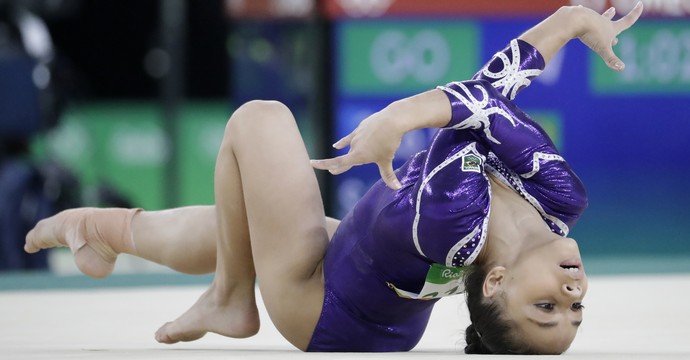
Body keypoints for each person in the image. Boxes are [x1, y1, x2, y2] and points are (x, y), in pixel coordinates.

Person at [24, 3, 643, 355]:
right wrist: (567, 20)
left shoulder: (454, 222)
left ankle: (231, 297)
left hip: (323, 310)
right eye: (575, 307)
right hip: (366, 290)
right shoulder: (560, 203)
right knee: (244, 223)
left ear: (498, 282)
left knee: (259, 120)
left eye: (546, 308)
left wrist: (396, 118)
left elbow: (478, 106)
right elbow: (489, 95)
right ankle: (99, 230)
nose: (571, 291)